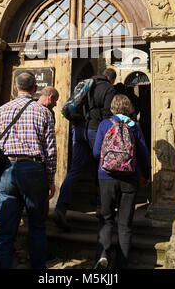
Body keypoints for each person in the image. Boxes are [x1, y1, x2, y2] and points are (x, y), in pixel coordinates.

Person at [0, 72, 57, 269]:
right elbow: (50, 150)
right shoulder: (43, 112)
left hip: (7, 170)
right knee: (36, 226)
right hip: (34, 170)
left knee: (5, 229)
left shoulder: (1, 110)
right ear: (35, 89)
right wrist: (51, 179)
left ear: (16, 89)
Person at [53, 68, 117, 231]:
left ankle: (60, 208)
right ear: (112, 80)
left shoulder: (85, 85)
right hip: (96, 130)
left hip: (79, 130)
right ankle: (102, 208)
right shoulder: (108, 89)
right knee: (103, 168)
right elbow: (108, 114)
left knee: (74, 170)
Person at [93, 94, 151, 269]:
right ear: (129, 108)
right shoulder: (134, 126)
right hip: (129, 179)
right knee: (125, 224)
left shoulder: (105, 124)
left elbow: (96, 152)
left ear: (112, 108)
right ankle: (122, 263)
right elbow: (143, 154)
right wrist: (146, 175)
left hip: (106, 177)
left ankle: (103, 256)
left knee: (106, 218)